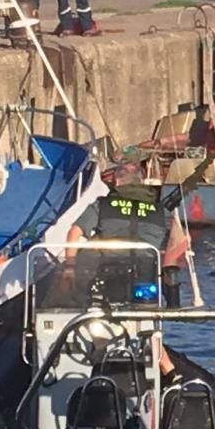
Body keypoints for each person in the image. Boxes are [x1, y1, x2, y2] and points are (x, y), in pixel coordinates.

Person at [63, 163, 187, 385]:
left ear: (117, 182)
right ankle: (168, 371)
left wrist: (69, 269)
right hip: (146, 282)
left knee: (94, 315)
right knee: (149, 325)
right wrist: (169, 274)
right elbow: (180, 244)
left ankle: (97, 360)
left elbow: (74, 232)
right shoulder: (161, 211)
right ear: (141, 181)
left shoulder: (102, 205)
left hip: (105, 282)